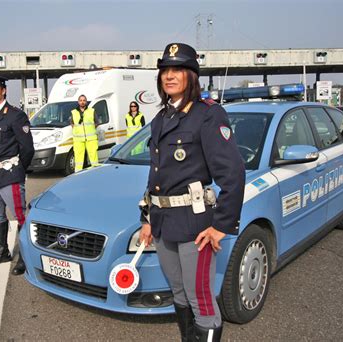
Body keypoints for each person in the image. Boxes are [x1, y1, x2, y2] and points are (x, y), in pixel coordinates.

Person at [138, 43, 245, 342]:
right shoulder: (162, 118)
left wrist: (221, 226)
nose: (169, 76)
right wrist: (146, 217)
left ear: (192, 75)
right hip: (162, 223)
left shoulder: (207, 115)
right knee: (179, 292)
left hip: (194, 224)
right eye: (165, 71)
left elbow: (233, 173)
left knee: (201, 299)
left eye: (177, 70)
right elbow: (156, 174)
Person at [0, 73, 35, 276]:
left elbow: (27, 148)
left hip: (9, 175)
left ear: (3, 90)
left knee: (20, 218)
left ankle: (25, 258)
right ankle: (2, 251)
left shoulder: (15, 115)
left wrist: (18, 171)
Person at [70, 95, 99, 172]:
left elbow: (97, 122)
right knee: (78, 160)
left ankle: (95, 172)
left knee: (94, 158)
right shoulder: (73, 112)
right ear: (78, 102)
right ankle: (78, 174)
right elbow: (72, 123)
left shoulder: (92, 111)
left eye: (84, 100)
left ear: (86, 102)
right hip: (78, 140)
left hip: (91, 139)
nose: (82, 102)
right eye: (81, 100)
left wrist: (91, 129)